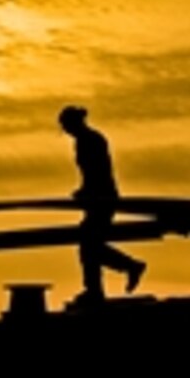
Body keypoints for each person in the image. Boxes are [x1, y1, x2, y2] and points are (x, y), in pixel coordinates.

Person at [59, 105, 145, 303]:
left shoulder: (90, 140)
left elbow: (98, 171)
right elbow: (90, 172)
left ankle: (124, 271)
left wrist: (88, 191)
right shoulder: (86, 140)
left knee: (89, 244)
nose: (64, 130)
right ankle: (98, 288)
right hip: (98, 197)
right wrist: (83, 190)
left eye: (65, 125)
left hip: (103, 198)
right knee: (89, 244)